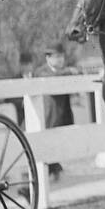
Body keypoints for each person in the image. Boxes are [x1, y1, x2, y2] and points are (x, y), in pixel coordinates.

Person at [34, 43, 77, 180]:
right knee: (46, 142)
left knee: (58, 142)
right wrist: (70, 71)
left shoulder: (64, 71)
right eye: (57, 57)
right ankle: (49, 170)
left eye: (62, 57)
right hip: (47, 115)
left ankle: (54, 168)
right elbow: (53, 78)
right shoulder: (42, 71)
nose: (60, 60)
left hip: (62, 114)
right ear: (48, 58)